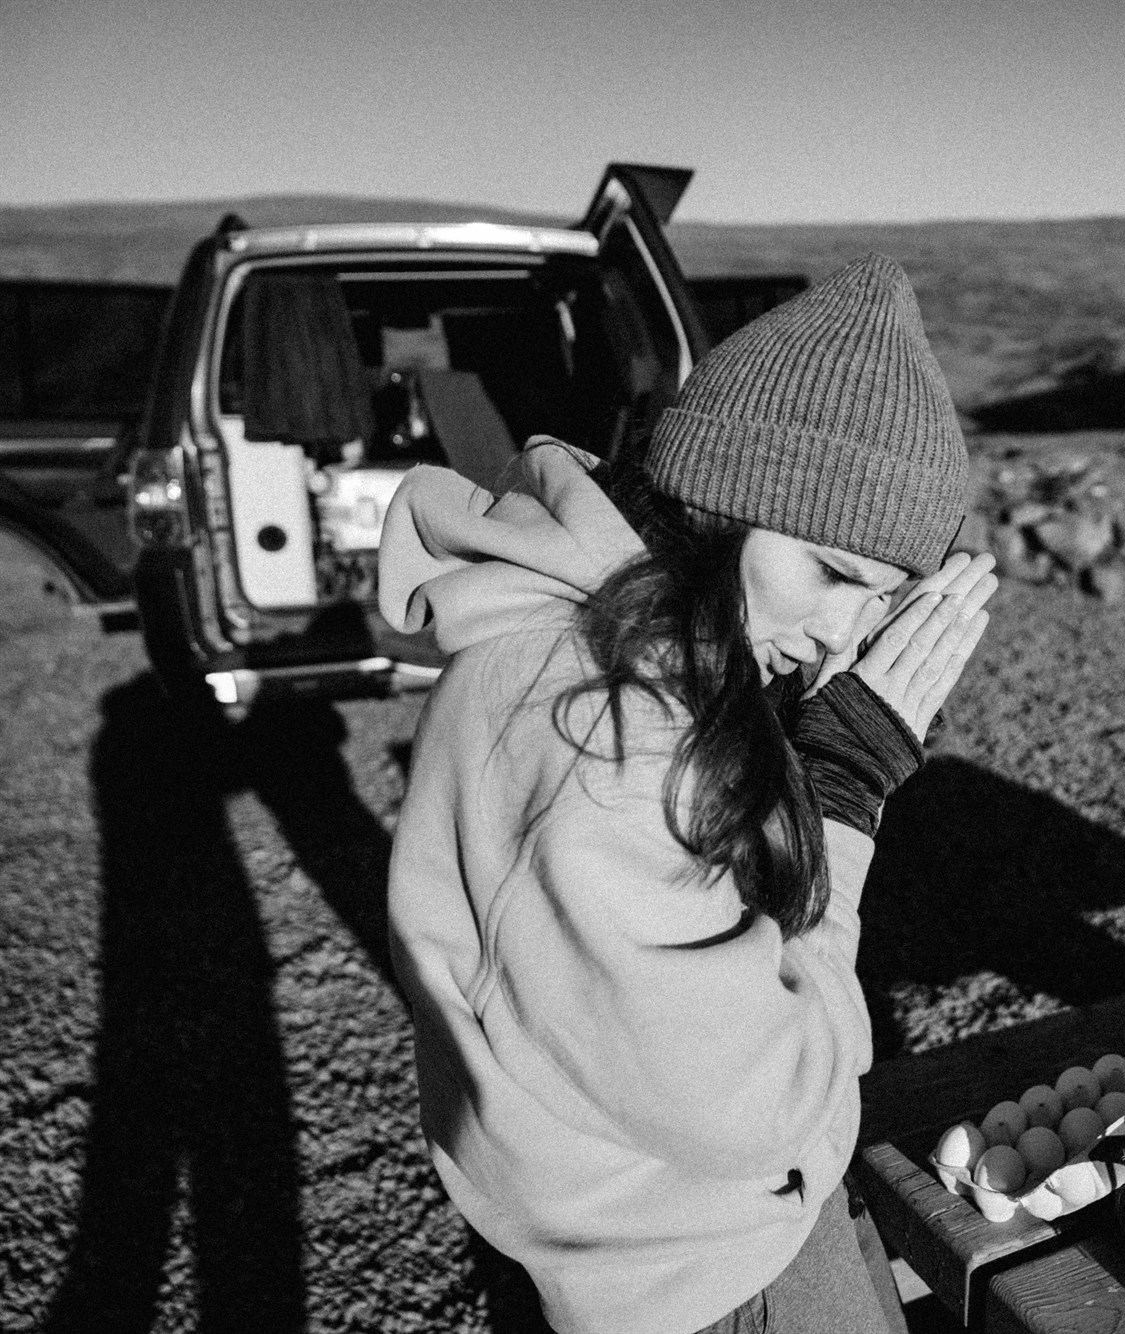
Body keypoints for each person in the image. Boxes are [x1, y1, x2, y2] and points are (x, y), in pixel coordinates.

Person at [376, 254, 997, 1333]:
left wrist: (799, 750)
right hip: (694, 1270)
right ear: (722, 500)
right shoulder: (596, 733)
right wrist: (843, 790)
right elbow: (756, 1102)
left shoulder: (648, 640)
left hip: (705, 1216)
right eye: (833, 573)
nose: (841, 636)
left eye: (883, 596)